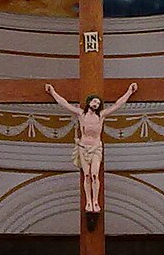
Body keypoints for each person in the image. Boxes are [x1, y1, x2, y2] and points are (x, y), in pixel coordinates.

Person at [45, 82, 138, 213]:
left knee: (95, 175)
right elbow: (64, 103)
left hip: (96, 148)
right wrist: (53, 92)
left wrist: (129, 92)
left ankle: (95, 201)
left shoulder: (101, 116)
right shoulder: (80, 115)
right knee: (87, 175)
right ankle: (88, 201)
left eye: (98, 103)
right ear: (89, 102)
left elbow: (118, 105)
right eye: (94, 102)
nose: (96, 104)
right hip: (83, 147)